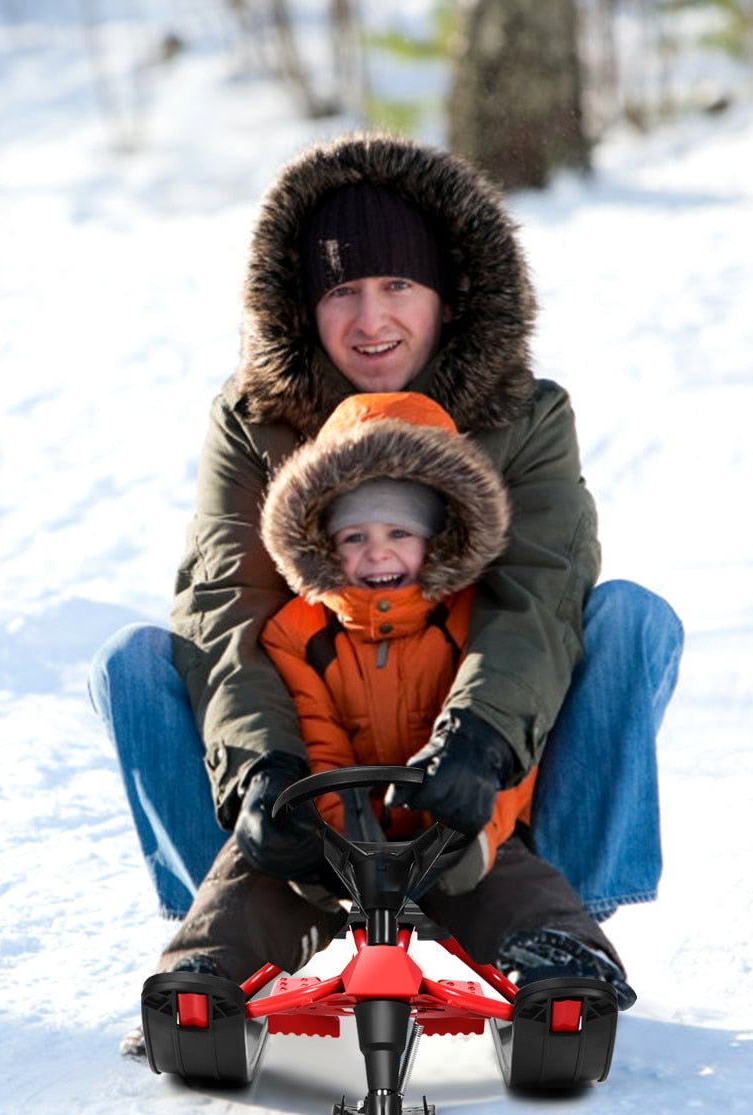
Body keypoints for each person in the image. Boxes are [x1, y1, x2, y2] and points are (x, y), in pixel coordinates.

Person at [88, 131, 683, 990]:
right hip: (310, 774)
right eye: (342, 291)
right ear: (302, 306)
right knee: (136, 664)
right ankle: (228, 923)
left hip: (477, 790)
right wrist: (266, 772)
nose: (372, 321)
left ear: (448, 295)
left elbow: (539, 596)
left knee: (629, 619)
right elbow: (227, 606)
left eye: (398, 285)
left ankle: (557, 921)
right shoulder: (257, 422)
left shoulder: (525, 415)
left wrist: (477, 744)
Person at [141, 388, 636, 1013]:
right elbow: (313, 738)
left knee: (511, 880)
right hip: (332, 839)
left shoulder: (468, 623)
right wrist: (314, 832)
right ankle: (205, 980)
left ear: (439, 538)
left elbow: (510, 750)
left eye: (400, 532)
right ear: (322, 542)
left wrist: (473, 829)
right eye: (354, 536)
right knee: (251, 872)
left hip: (452, 826)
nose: (377, 552)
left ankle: (558, 964)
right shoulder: (297, 632)